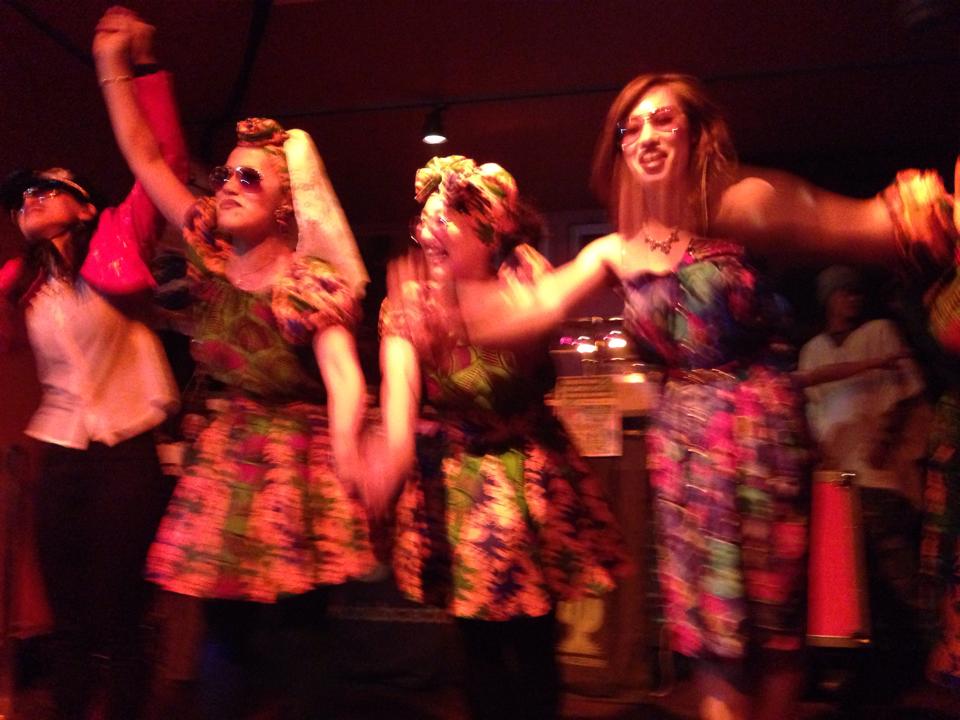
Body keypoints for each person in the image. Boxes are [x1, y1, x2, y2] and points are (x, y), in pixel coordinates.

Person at [445, 74, 955, 720]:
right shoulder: (617, 250)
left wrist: (927, 215)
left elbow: (856, 224)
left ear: (695, 136)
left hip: (762, 439)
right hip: (685, 456)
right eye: (632, 127)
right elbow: (536, 306)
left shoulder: (743, 204)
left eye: (665, 120)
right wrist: (457, 298)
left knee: (772, 627)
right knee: (711, 632)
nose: (647, 136)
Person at [93, 10, 377, 718]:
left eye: (249, 178)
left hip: (295, 470)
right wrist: (113, 65)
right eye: (225, 173)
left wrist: (351, 446)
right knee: (223, 645)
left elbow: (344, 374)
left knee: (296, 644)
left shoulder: (307, 283)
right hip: (225, 466)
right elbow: (145, 159)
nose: (227, 185)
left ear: (286, 207)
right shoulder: (209, 255)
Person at [375, 155, 630, 720]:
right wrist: (389, 452)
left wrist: (462, 304)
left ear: (490, 231)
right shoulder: (409, 300)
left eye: (447, 219)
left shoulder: (524, 277)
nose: (429, 232)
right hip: (460, 478)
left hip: (532, 473)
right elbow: (399, 383)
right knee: (478, 647)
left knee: (534, 640)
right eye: (424, 220)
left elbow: (524, 330)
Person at [0, 10, 187, 718]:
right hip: (60, 452)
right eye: (21, 197)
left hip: (127, 450)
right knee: (68, 618)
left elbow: (161, 163)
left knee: (119, 616)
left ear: (84, 208)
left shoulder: (118, 241)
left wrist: (144, 68)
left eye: (45, 189)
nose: (28, 200)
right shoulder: (21, 281)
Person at [798, 265, 931, 701]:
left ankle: (921, 663)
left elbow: (907, 393)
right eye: (844, 293)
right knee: (846, 583)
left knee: (893, 571)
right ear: (828, 299)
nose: (852, 299)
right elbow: (808, 404)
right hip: (834, 477)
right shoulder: (813, 349)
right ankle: (856, 674)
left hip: (878, 475)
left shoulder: (881, 333)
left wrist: (885, 440)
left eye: (857, 292)